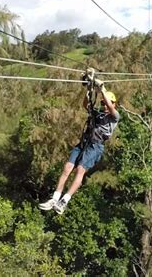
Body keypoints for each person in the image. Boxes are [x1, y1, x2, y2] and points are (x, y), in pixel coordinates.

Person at [39, 76, 119, 214]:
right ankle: (55, 197)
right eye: (103, 103)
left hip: (95, 147)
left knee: (80, 170)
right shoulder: (97, 114)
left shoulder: (114, 117)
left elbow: (110, 106)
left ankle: (65, 200)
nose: (104, 105)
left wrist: (102, 89)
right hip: (84, 143)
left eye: (107, 103)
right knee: (67, 167)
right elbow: (85, 105)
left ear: (113, 103)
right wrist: (88, 89)